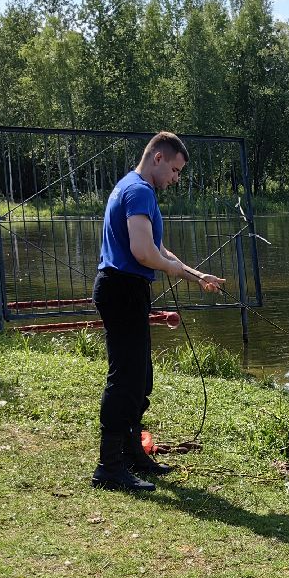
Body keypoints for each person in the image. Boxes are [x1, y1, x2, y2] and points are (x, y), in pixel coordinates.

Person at [92, 131, 223, 492]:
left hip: (126, 289)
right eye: (176, 171)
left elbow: (159, 248)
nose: (175, 179)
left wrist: (197, 275)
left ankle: (133, 454)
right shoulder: (139, 191)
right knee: (125, 379)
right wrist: (174, 271)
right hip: (121, 289)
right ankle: (109, 466)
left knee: (140, 375)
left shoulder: (132, 187)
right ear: (159, 158)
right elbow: (143, 253)